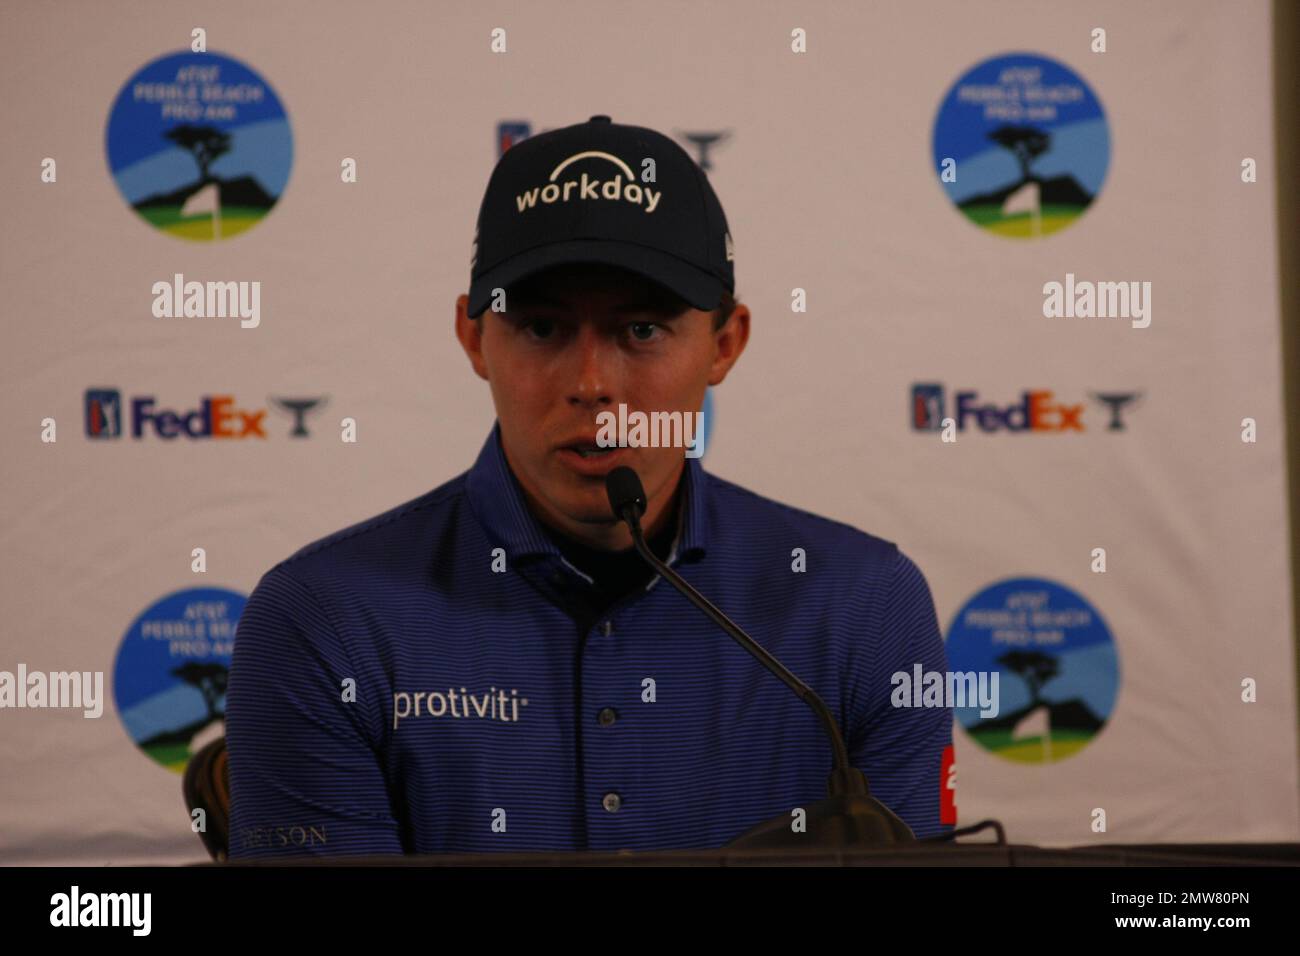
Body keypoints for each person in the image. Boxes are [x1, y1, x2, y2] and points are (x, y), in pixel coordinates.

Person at [225, 115, 953, 857]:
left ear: (724, 345)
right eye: (542, 328)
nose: (591, 385)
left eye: (641, 330)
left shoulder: (867, 606)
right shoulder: (323, 619)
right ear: (475, 339)